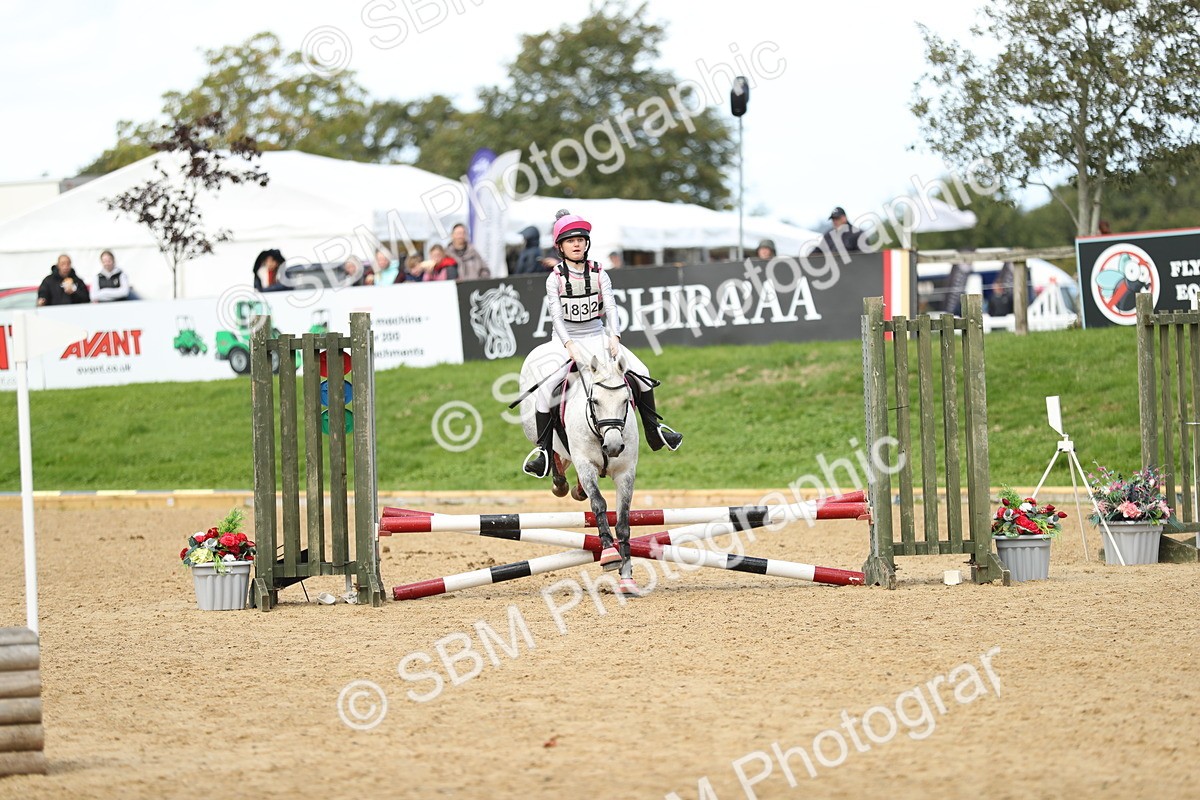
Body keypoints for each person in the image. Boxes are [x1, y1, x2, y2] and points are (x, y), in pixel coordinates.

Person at [520, 209, 683, 479]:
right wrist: (569, 345)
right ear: (560, 247)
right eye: (571, 241)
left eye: (581, 240)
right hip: (565, 339)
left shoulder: (599, 273)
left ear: (587, 244)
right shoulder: (555, 278)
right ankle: (545, 452)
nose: (577, 244)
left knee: (641, 372)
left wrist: (614, 336)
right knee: (548, 389)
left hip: (597, 334)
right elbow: (556, 316)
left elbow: (611, 307)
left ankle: (654, 431)